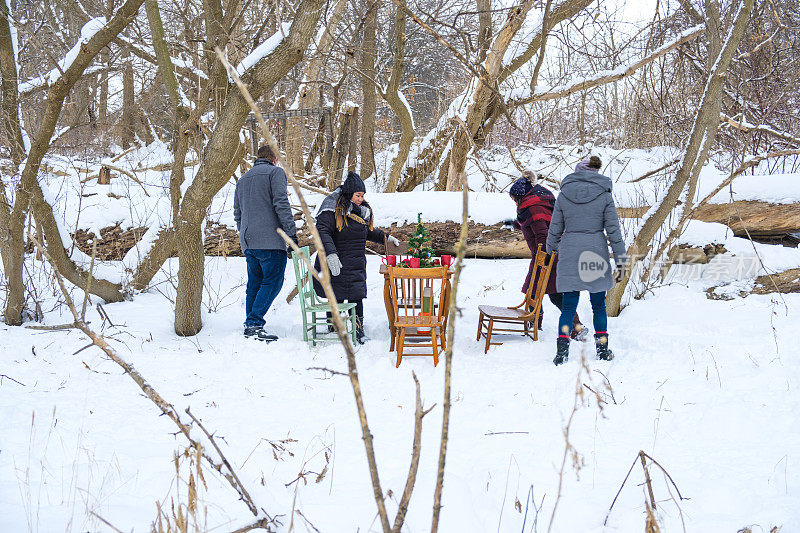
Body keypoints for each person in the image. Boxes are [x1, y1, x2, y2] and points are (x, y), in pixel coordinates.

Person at [546, 156, 626, 365]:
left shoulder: (564, 195)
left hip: (570, 251)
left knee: (568, 307)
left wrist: (551, 248)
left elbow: (555, 227)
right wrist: (621, 259)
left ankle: (561, 351)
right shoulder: (604, 195)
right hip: (595, 251)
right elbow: (614, 231)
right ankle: (602, 349)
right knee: (598, 305)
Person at [313, 171, 400, 344]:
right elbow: (323, 232)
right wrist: (330, 254)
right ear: (349, 193)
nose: (360, 199)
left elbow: (365, 230)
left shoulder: (358, 211)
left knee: (356, 296)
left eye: (362, 195)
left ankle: (359, 330)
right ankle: (333, 326)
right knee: (336, 295)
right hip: (336, 260)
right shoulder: (332, 209)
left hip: (355, 262)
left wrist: (385, 237)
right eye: (358, 195)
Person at [504, 170, 584, 338]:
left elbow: (543, 234)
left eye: (513, 199)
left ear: (520, 197)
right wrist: (516, 224)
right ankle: (571, 327)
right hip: (548, 256)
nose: (513, 202)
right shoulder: (536, 203)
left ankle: (537, 326)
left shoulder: (533, 207)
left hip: (546, 257)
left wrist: (543, 259)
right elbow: (533, 223)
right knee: (547, 293)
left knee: (538, 292)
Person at [234, 144, 298, 342]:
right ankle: (254, 323)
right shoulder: (275, 173)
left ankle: (250, 323)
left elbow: (237, 213)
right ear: (274, 159)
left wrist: (245, 231)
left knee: (254, 282)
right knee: (273, 281)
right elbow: (281, 203)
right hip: (270, 240)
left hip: (248, 240)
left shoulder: (243, 179)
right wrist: (291, 235)